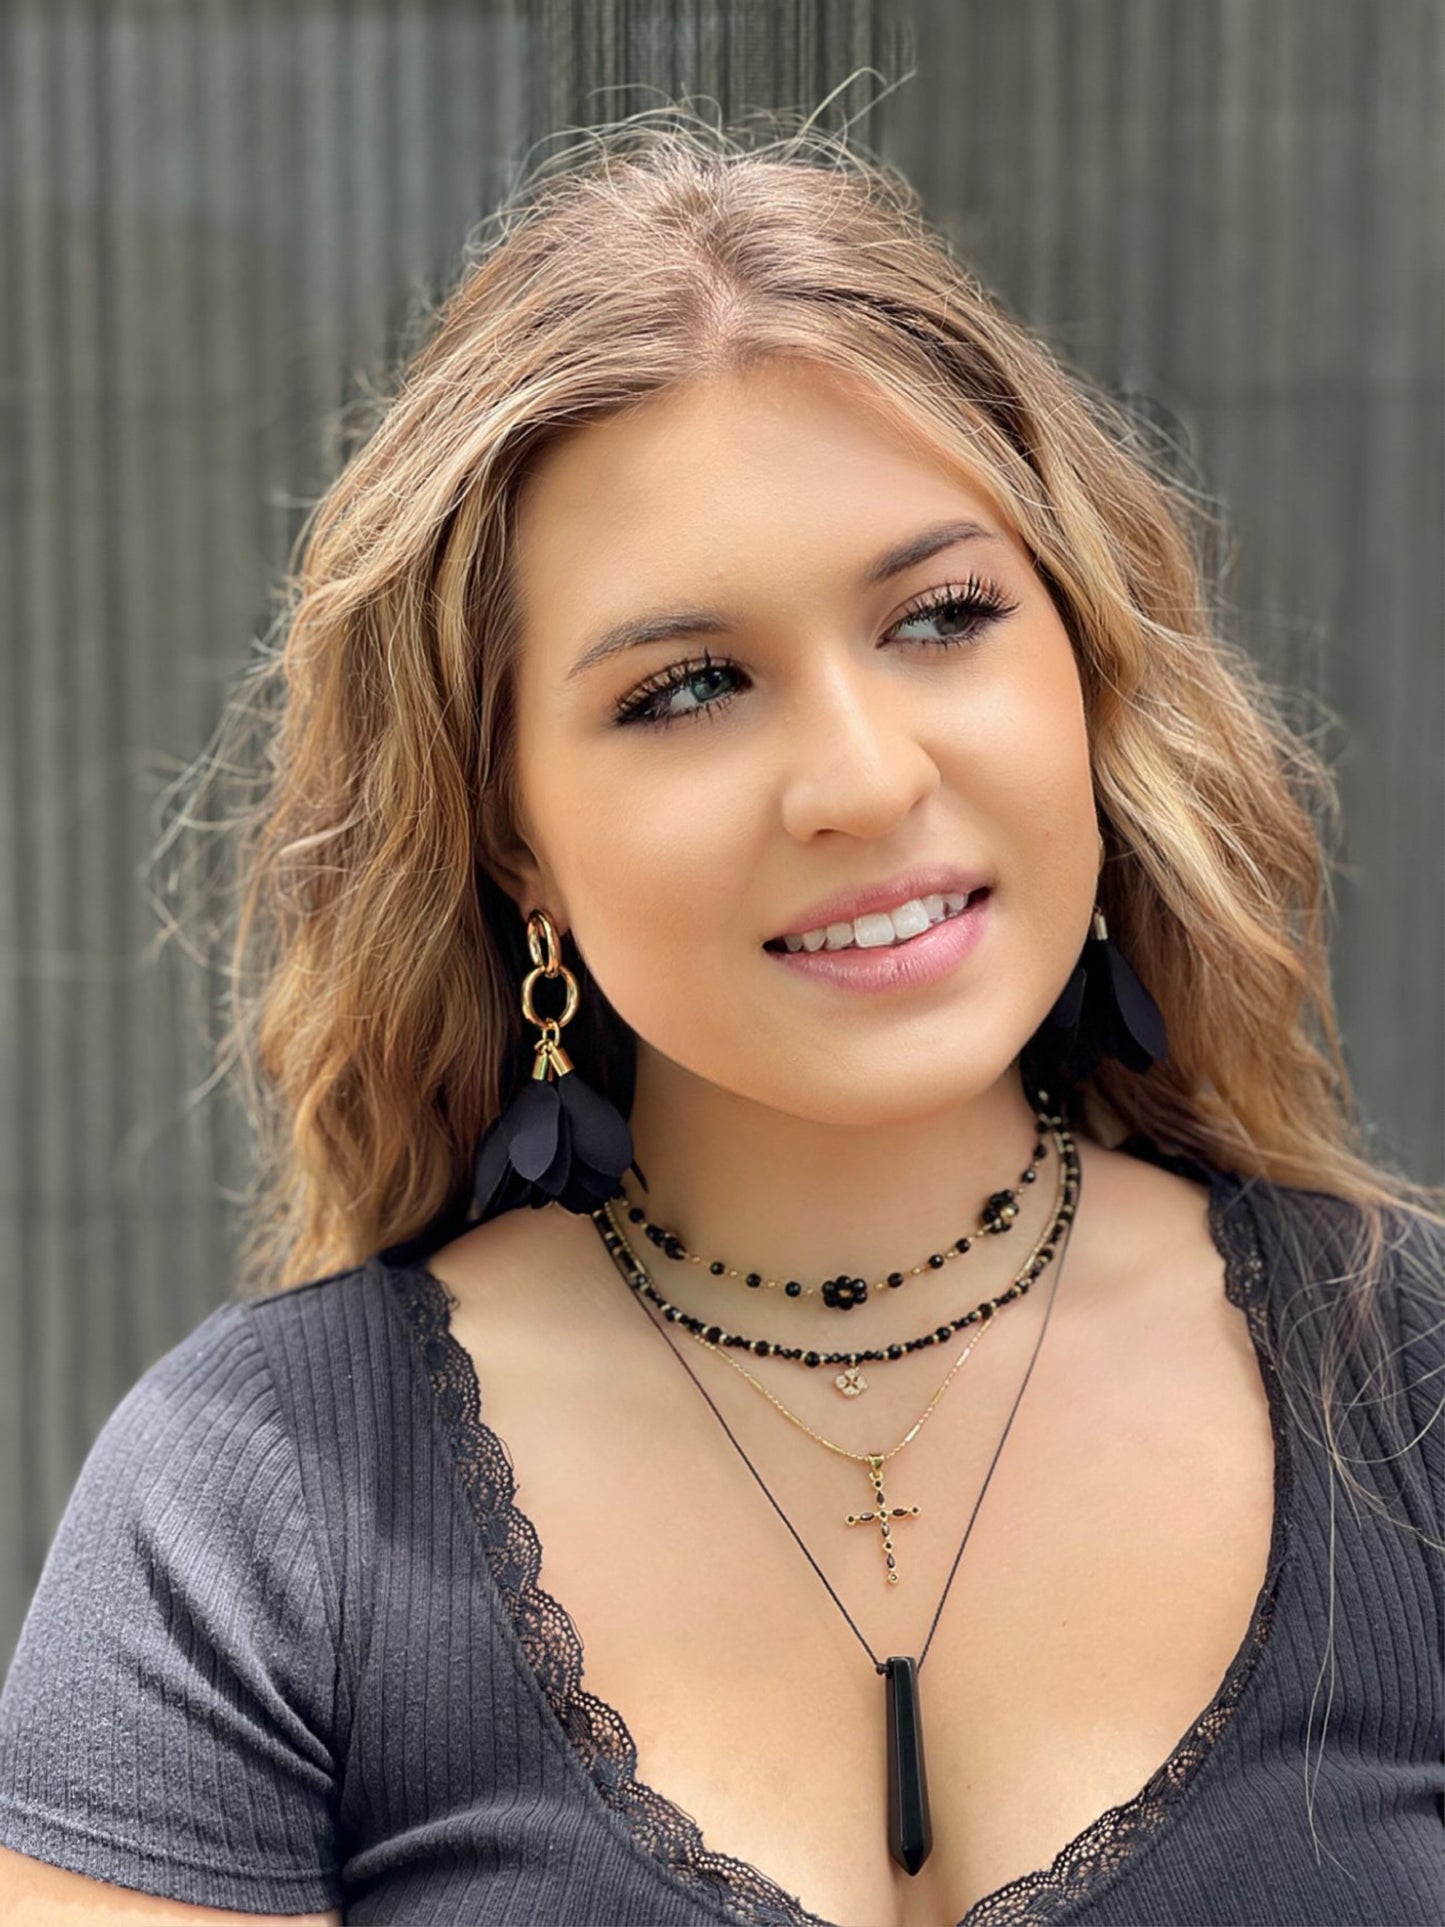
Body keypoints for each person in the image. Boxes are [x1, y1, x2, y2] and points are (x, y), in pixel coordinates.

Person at [0, 111, 1440, 1927]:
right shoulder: (254, 1512)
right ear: (510, 831)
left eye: (939, 617)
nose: (857, 776)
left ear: (1083, 661)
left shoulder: (1412, 1392)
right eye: (686, 688)